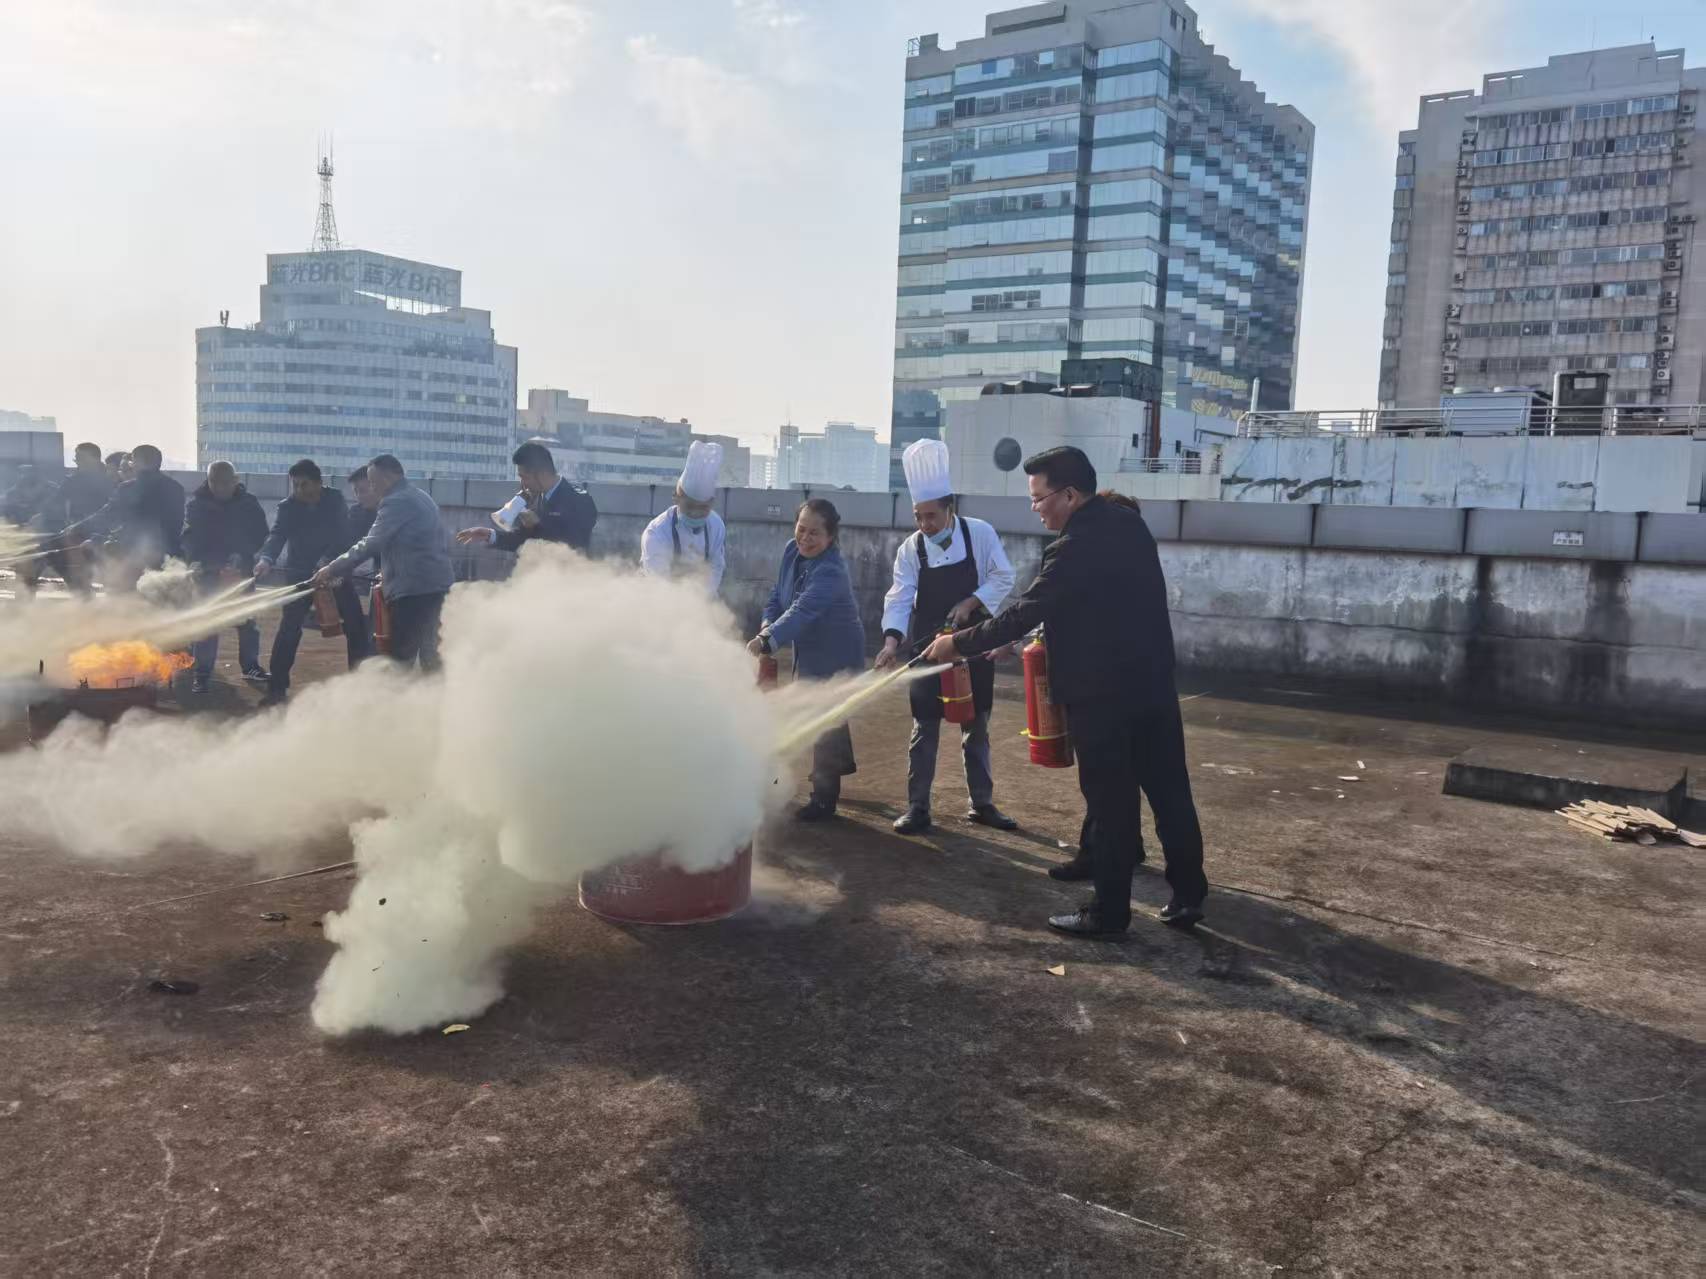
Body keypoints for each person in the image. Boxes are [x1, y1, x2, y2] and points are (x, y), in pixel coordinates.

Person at [923, 446, 1206, 938]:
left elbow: (1028, 607)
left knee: (1112, 804)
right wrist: (1025, 641)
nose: (1034, 508)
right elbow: (1092, 606)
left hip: (1103, 696)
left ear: (1070, 495)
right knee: (1169, 791)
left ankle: (1108, 914)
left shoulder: (1074, 545)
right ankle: (1188, 896)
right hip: (1153, 686)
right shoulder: (1129, 524)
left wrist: (957, 643)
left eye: (1039, 498)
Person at [875, 439, 1017, 836]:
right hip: (929, 647)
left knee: (976, 724)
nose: (925, 525)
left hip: (973, 642)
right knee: (924, 727)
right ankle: (917, 807)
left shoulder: (980, 534)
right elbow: (899, 596)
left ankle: (982, 804)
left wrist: (971, 602)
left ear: (949, 508)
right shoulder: (911, 549)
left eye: (931, 516)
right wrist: (890, 642)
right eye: (918, 517)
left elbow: (1003, 576)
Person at [748, 498, 866, 821]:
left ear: (831, 537)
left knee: (822, 717)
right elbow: (778, 596)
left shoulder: (831, 571)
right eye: (801, 529)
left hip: (837, 652)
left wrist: (766, 640)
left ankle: (824, 799)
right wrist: (766, 626)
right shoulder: (792, 551)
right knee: (826, 715)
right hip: (809, 647)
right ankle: (837, 768)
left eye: (815, 533)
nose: (805, 538)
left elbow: (802, 610)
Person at [1051, 490, 1144, 883]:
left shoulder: (1100, 561)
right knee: (1121, 778)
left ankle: (1097, 856)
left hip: (1106, 690)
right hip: (1131, 687)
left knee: (1103, 781)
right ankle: (1129, 846)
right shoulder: (1134, 562)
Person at [315, 454, 454, 674]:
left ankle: (393, 696)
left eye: (373, 482)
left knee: (400, 658)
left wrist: (332, 568)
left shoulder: (396, 501)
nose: (372, 488)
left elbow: (371, 543)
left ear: (388, 478)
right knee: (431, 657)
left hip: (412, 593)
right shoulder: (420, 495)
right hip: (435, 587)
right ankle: (437, 695)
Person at [252, 458, 370, 706]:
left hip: (334, 571)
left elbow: (343, 533)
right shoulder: (287, 507)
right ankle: (277, 689)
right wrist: (266, 559)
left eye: (303, 484)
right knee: (289, 629)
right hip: (300, 575)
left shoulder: (334, 499)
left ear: (318, 483)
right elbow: (277, 535)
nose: (298, 490)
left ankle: (360, 687)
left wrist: (328, 561)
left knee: (356, 626)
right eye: (294, 485)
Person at [181, 460, 270, 693]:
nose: (219, 487)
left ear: (235, 481)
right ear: (208, 480)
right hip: (208, 573)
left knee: (247, 621)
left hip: (241, 572)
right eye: (214, 482)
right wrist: (199, 561)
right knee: (207, 623)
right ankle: (201, 673)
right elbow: (189, 537)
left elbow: (261, 533)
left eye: (224, 482)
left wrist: (242, 553)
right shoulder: (196, 505)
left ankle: (250, 666)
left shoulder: (249, 504)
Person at [63, 444, 185, 590]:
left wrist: (78, 527)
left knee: (121, 592)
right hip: (170, 555)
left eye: (133, 461)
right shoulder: (176, 488)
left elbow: (107, 516)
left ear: (138, 462)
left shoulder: (128, 488)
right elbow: (176, 523)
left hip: (134, 555)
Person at [456, 441, 597, 553]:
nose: (522, 484)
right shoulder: (535, 498)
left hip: (568, 576)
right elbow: (522, 540)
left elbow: (575, 544)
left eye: (525, 477)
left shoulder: (579, 500)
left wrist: (538, 525)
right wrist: (489, 535)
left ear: (542, 474)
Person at [639, 440, 726, 593]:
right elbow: (659, 583)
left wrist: (705, 597)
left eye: (703, 508)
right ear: (676, 498)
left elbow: (716, 567)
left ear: (712, 504)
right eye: (690, 506)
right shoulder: (657, 532)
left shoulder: (716, 526)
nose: (695, 513)